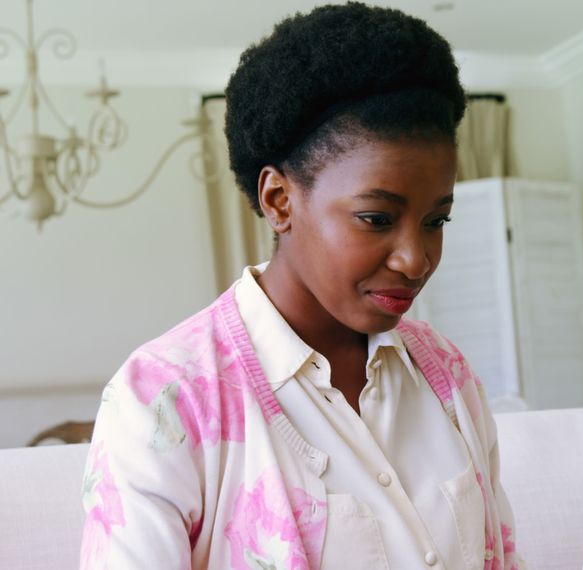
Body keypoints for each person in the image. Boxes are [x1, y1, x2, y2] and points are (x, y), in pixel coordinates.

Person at [78, 4, 524, 569]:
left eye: (437, 221)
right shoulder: (163, 401)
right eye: (377, 219)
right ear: (278, 200)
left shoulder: (447, 375)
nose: (416, 261)